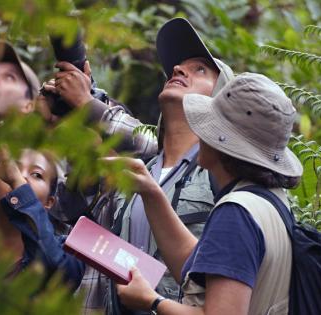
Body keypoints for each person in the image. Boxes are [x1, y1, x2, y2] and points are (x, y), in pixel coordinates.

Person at [53, 18, 234, 314]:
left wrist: (87, 102)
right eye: (178, 67)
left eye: (199, 69)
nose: (177, 69)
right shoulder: (130, 170)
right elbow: (65, 215)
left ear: (222, 102)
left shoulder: (222, 176)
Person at [111, 73, 303, 315]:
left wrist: (152, 300)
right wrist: (151, 193)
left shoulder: (236, 214)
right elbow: (198, 265)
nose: (200, 134)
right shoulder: (269, 201)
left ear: (224, 143)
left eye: (209, 126)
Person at [0, 148, 85, 288]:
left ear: (49, 203)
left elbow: (56, 271)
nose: (21, 177)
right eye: (14, 168)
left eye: (37, 175)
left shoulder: (67, 251)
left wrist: (19, 186)